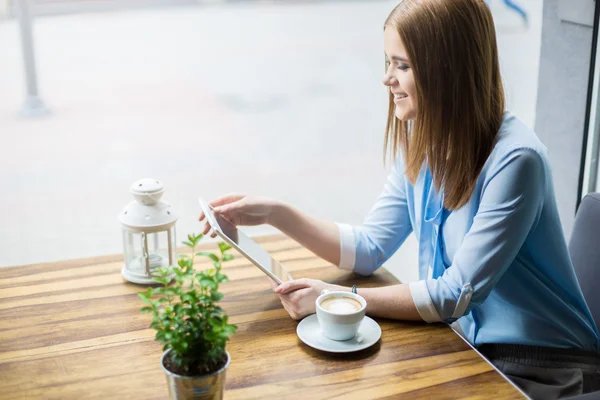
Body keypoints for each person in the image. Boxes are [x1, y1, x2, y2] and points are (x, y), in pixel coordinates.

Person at [199, 0, 600, 398]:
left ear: (449, 71)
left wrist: (340, 298)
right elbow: (369, 248)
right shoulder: (423, 144)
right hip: (472, 351)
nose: (387, 79)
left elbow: (452, 295)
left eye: (402, 65)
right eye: (388, 63)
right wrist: (273, 212)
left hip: (546, 367)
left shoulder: (516, 161)